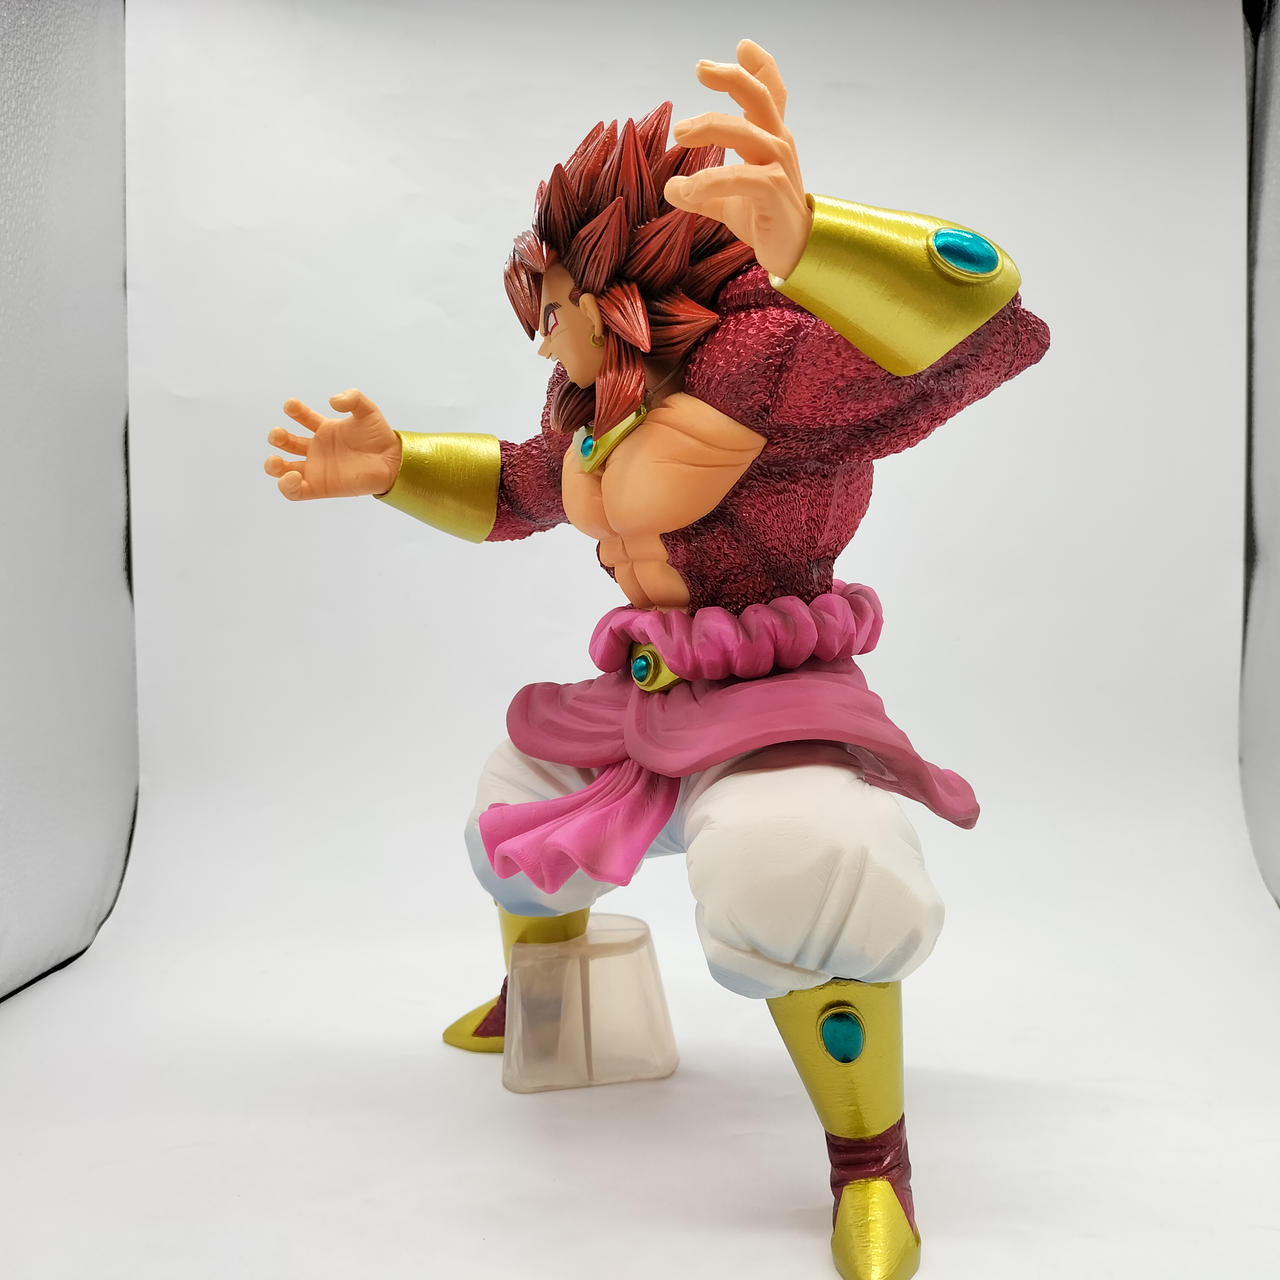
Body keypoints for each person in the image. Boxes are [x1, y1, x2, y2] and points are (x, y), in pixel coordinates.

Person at [265, 41, 1048, 1280]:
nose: (542, 341)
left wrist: (814, 242)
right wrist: (395, 465)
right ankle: (542, 994)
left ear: (612, 290)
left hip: (774, 686)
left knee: (807, 864)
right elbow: (526, 487)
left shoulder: (774, 360)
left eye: (551, 310)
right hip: (652, 686)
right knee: (517, 790)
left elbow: (983, 319)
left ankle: (869, 1163)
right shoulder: (596, 403)